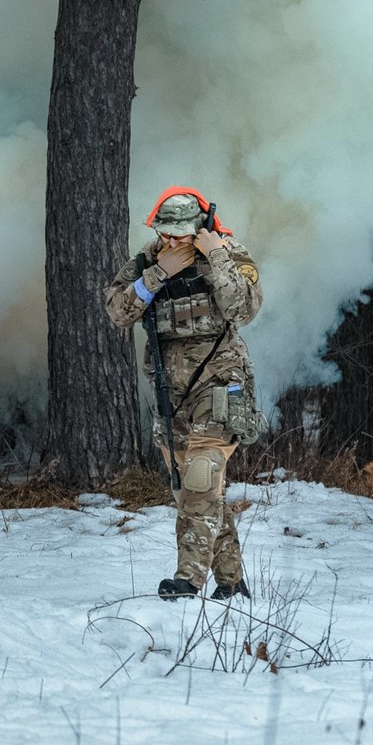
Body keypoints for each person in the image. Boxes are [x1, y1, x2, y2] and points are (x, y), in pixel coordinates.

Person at [104, 187, 263, 601]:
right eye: (166, 234)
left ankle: (187, 579)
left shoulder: (227, 253)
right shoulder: (148, 259)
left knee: (200, 478)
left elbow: (242, 310)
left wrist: (216, 256)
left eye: (183, 235)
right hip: (170, 394)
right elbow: (118, 311)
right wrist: (157, 274)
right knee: (194, 493)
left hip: (220, 384)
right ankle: (231, 581)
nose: (173, 242)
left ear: (202, 228)